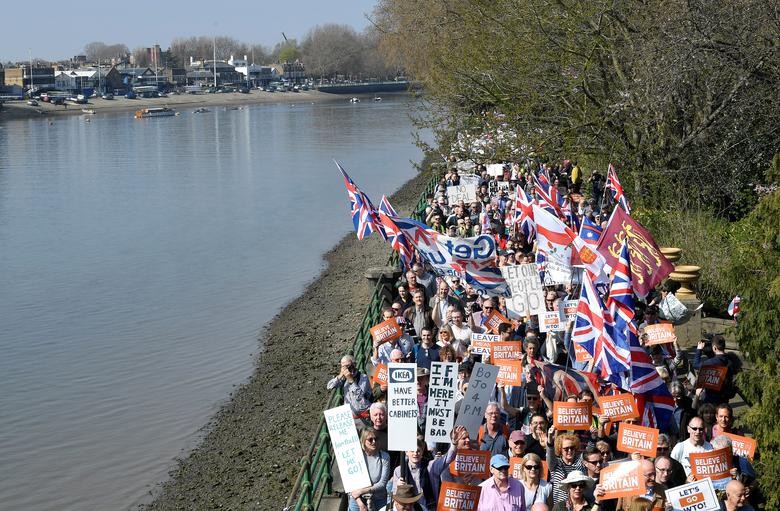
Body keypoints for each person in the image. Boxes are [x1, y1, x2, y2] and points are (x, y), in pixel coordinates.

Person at [349, 428, 391, 511]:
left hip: (378, 498)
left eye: (376, 439)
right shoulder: (356, 456)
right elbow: (351, 483)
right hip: (358, 499)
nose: (374, 442)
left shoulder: (385, 457)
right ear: (364, 441)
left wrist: (361, 491)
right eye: (370, 439)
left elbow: (382, 483)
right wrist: (360, 503)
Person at [327, 354, 373, 421]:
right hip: (350, 417)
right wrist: (340, 375)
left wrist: (351, 380)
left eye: (348, 366)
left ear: (354, 364)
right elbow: (329, 386)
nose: (347, 369)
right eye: (343, 367)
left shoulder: (363, 378)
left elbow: (360, 397)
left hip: (364, 416)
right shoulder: (344, 378)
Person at [392, 439, 434, 511]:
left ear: (422, 451)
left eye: (418, 451)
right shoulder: (399, 470)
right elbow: (395, 495)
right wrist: (398, 487)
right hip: (408, 506)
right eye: (412, 451)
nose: (415, 453)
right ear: (406, 452)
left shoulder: (429, 466)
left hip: (426, 505)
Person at [546, 430, 585, 506]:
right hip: (561, 506)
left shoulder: (580, 461)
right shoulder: (555, 464)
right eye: (566, 449)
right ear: (560, 449)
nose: (569, 451)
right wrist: (550, 439)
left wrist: (593, 437)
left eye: (572, 448)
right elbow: (550, 454)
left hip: (578, 505)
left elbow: (590, 452)